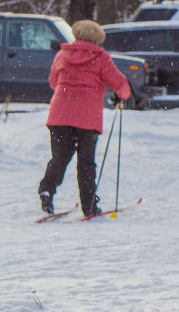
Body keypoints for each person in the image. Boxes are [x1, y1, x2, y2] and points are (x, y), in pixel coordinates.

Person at [38, 19, 131, 217]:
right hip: (87, 117)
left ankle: (47, 189)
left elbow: (53, 82)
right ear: (97, 39)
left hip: (60, 114)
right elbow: (118, 82)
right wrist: (122, 95)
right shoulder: (100, 57)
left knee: (60, 157)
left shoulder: (62, 54)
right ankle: (89, 206)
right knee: (86, 162)